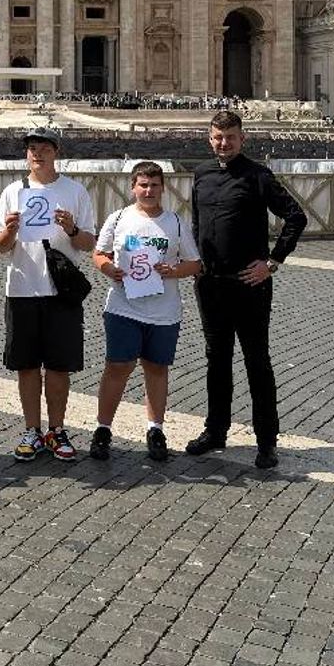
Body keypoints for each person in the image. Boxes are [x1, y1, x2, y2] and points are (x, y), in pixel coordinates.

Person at [185, 110, 307, 470]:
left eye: (231, 137)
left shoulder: (258, 175)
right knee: (216, 359)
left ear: (242, 139)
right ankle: (215, 430)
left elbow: (296, 216)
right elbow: (197, 222)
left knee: (257, 361)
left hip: (249, 284)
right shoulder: (201, 174)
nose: (224, 143)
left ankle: (267, 441)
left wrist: (272, 261)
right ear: (210, 138)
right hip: (210, 284)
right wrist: (195, 262)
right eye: (218, 137)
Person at [0, 128, 96, 463]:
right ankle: (32, 430)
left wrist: (72, 229)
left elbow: (89, 243)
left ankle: (57, 429)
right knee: (25, 366)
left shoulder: (75, 191)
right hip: (22, 288)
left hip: (61, 291)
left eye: (44, 148)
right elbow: (0, 246)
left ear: (56, 152)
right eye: (32, 148)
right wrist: (9, 231)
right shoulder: (12, 191)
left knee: (58, 366)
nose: (37, 153)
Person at [89, 162, 201, 460]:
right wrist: (108, 268)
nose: (149, 190)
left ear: (163, 188)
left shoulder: (175, 222)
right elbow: (99, 254)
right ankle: (103, 429)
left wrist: (174, 271)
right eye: (143, 185)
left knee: (156, 368)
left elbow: (194, 263)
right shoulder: (119, 218)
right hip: (123, 307)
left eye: (154, 185)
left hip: (164, 311)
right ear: (133, 188)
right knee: (117, 367)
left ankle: (155, 429)